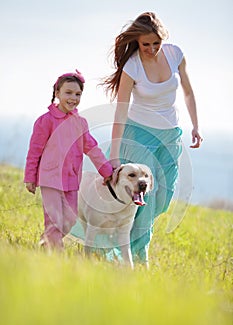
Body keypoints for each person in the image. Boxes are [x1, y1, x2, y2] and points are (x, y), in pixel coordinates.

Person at [102, 12, 203, 266]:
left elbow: (188, 93)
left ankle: (123, 246)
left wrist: (195, 126)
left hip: (170, 134)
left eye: (155, 44)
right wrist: (115, 153)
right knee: (143, 196)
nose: (151, 49)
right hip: (139, 134)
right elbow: (121, 111)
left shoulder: (175, 54)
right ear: (137, 42)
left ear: (163, 39)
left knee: (163, 197)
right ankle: (136, 255)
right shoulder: (132, 66)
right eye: (145, 44)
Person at [24, 70, 113, 250]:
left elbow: (92, 148)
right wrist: (30, 177)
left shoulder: (80, 123)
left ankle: (47, 241)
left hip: (71, 180)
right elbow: (35, 151)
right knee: (54, 219)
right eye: (68, 93)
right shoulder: (45, 121)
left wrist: (107, 171)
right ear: (57, 93)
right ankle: (55, 253)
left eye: (78, 94)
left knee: (70, 220)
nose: (73, 98)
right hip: (50, 178)